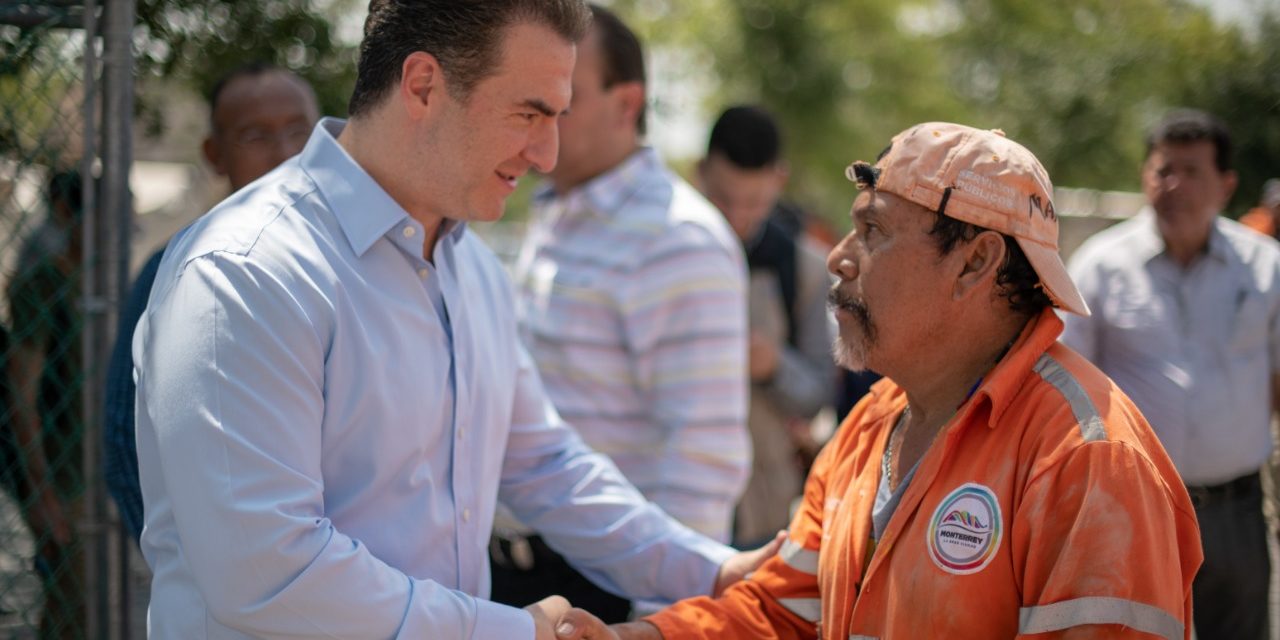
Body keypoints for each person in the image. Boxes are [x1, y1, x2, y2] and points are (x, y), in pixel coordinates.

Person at [133, 2, 771, 638]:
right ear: (422, 86)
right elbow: (267, 572)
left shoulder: (473, 271)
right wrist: (513, 633)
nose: (546, 154)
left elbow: (544, 464)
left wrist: (719, 573)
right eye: (528, 113)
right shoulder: (246, 273)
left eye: (559, 117)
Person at [553, 122, 1202, 639]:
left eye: (872, 231)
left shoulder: (1090, 460)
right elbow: (787, 614)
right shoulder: (871, 424)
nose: (838, 256)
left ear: (975, 263)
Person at [494, 5, 750, 622]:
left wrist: (660, 625)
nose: (545, 115)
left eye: (566, 96)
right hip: (511, 578)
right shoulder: (554, 208)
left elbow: (702, 454)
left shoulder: (677, 238)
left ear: (626, 103)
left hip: (608, 591)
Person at [1062, 109, 1280, 639]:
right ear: (1145, 177)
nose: (1174, 185)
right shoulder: (1100, 265)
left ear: (1226, 185)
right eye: (1163, 170)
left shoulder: (1266, 266)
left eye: (1192, 171)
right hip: (1132, 511)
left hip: (1235, 511)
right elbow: (1061, 390)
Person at [102, 62, 320, 544]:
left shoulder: (359, 260)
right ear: (213, 153)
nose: (285, 153)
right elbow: (124, 444)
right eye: (255, 136)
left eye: (299, 131)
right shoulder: (177, 269)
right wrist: (192, 562)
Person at [695, 105, 833, 548]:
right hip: (675, 504)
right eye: (722, 199)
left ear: (780, 179)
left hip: (763, 513)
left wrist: (774, 366)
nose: (736, 218)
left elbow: (820, 395)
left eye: (754, 202)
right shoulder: (662, 256)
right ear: (700, 174)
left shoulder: (807, 268)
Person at [4, 169, 89, 639]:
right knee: (72, 606)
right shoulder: (44, 285)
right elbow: (24, 393)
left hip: (99, 470)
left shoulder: (105, 285)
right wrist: (43, 493)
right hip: (62, 470)